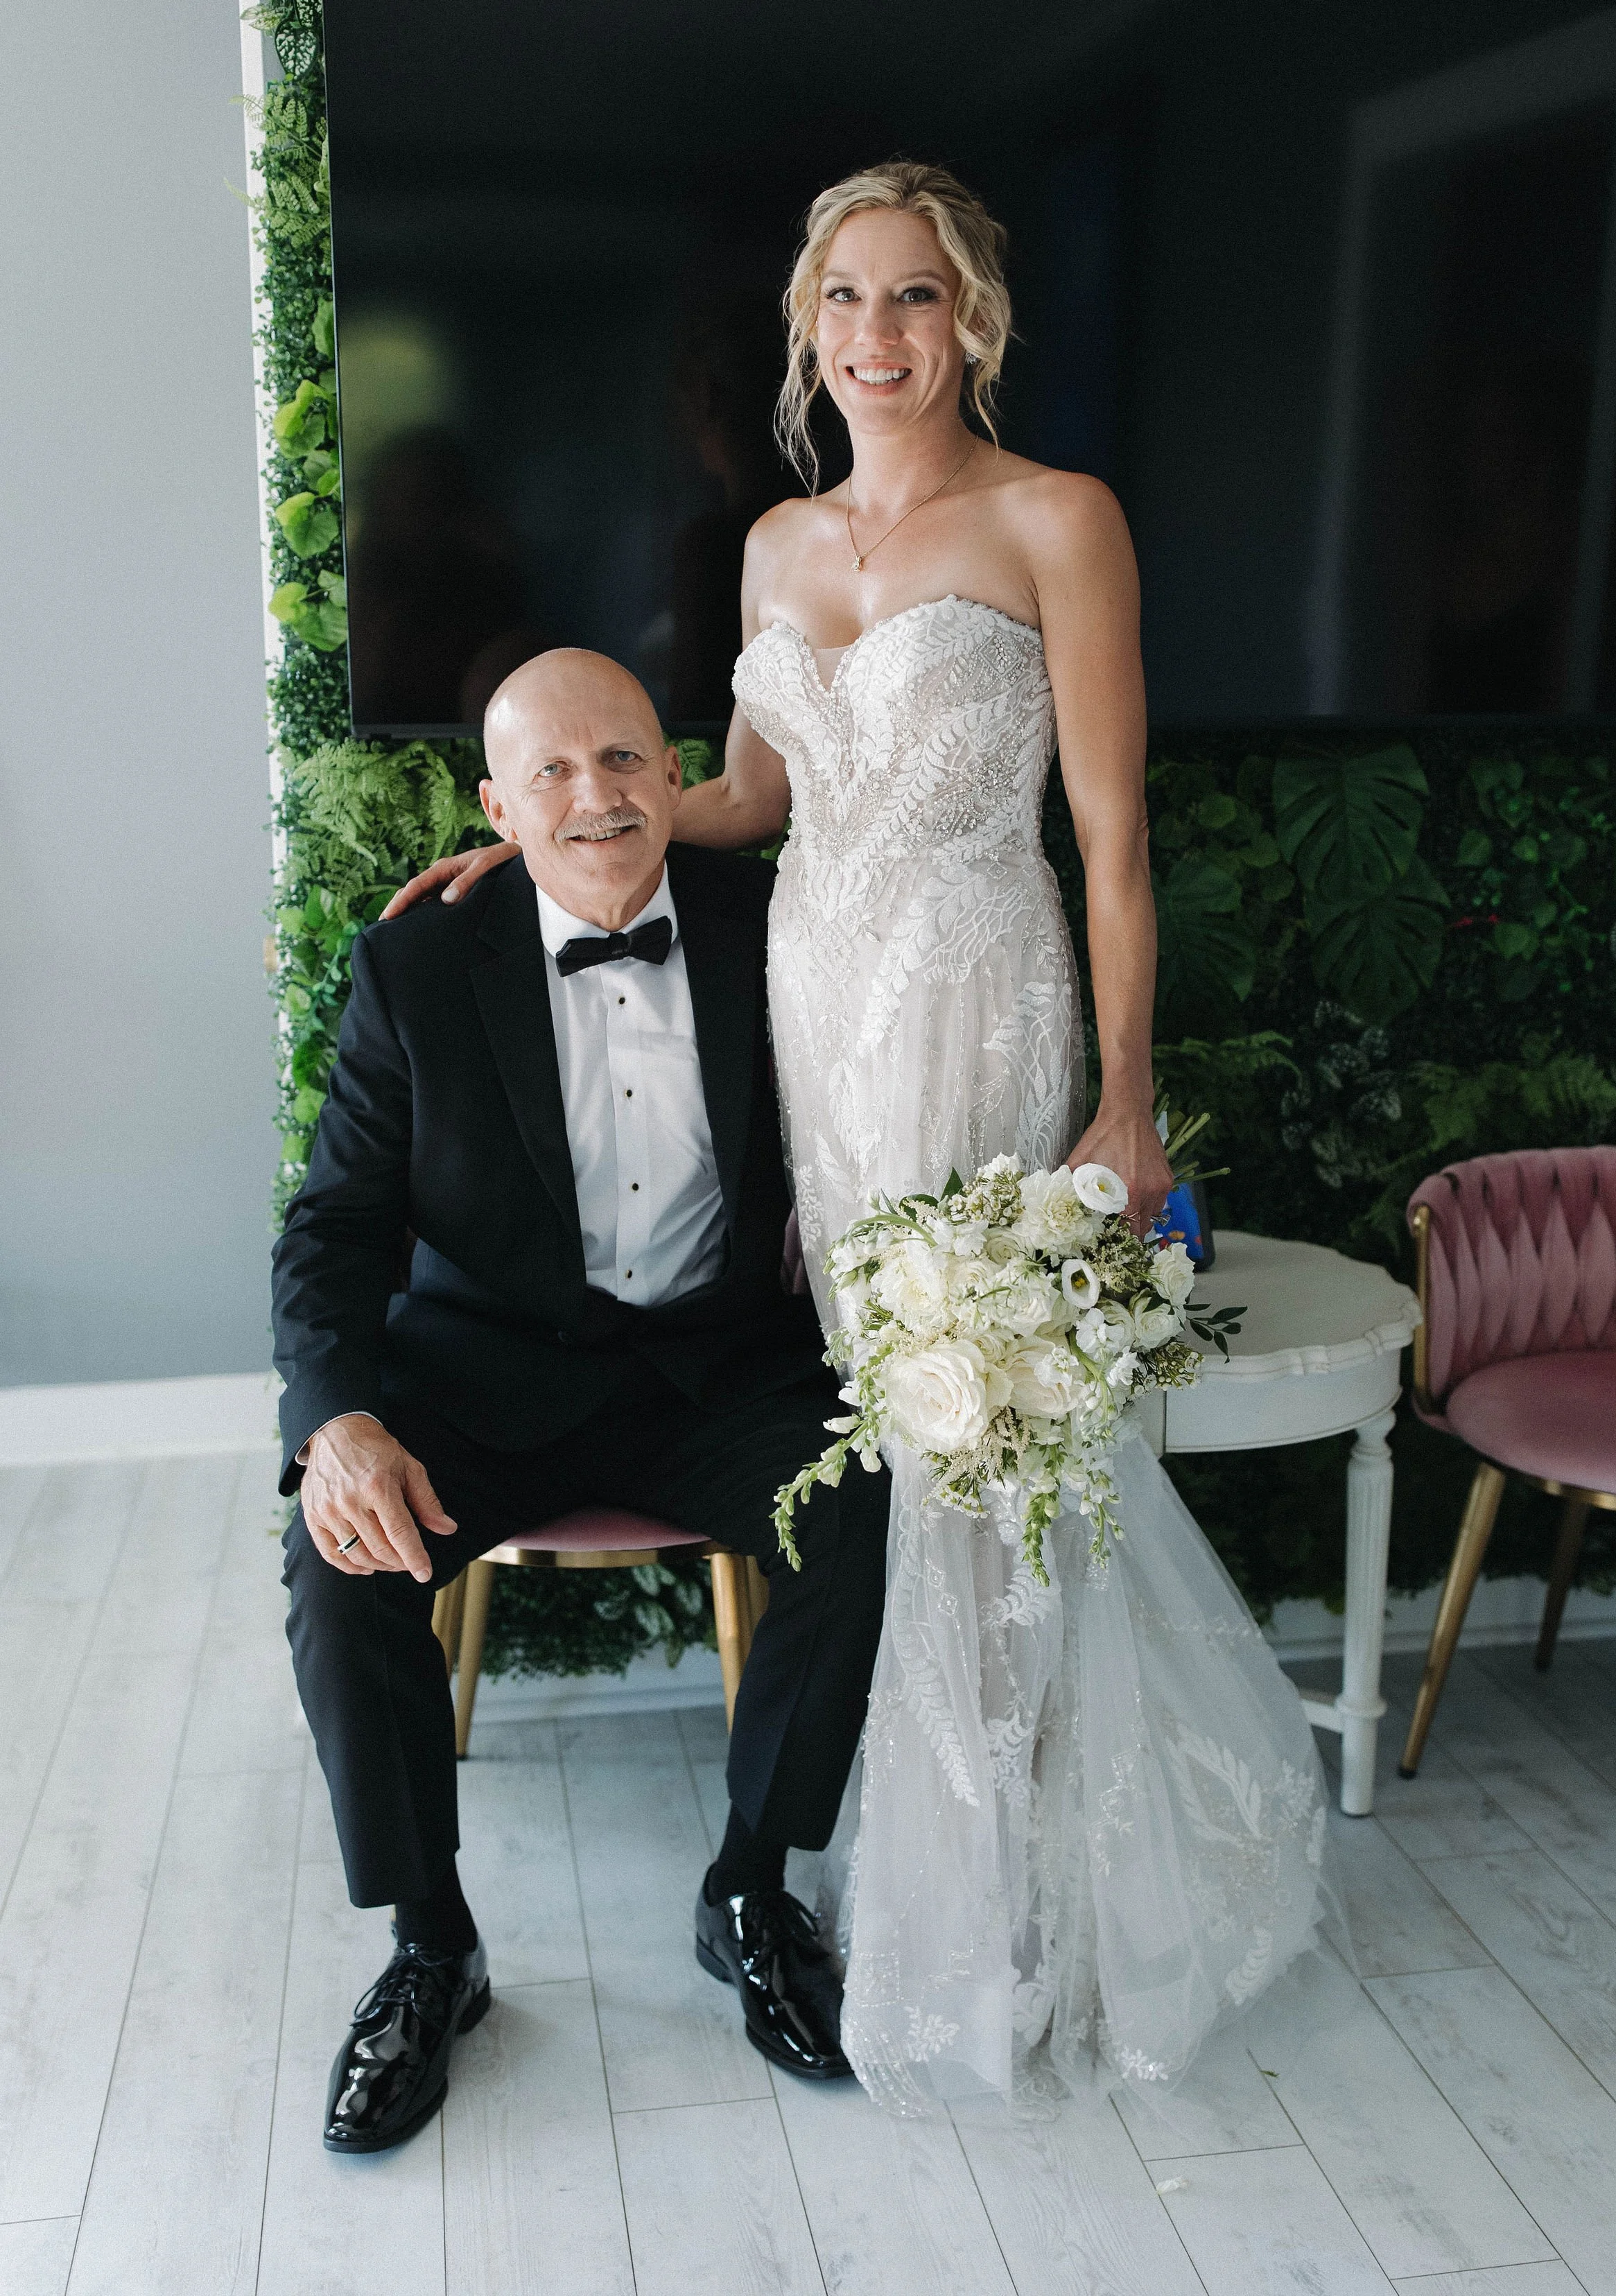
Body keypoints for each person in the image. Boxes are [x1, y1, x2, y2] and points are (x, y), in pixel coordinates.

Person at [392, 162, 1338, 2116]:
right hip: (820, 1025)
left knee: (983, 1434)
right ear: (808, 329)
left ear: (972, 320)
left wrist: (1129, 1094)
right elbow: (747, 795)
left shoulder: (1059, 522)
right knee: (873, 1441)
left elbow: (1116, 841)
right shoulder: (772, 547)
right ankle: (901, 1880)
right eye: (846, 301)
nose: (878, 336)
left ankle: (1024, 1905)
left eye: (916, 298)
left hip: (985, 1008)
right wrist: (556, 837)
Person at [274, 647, 889, 2155]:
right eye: (548, 772)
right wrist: (334, 1420)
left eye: (620, 759)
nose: (593, 797)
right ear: (495, 803)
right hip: (482, 1376)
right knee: (335, 1560)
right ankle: (432, 1949)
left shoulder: (781, 926)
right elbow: (337, 1228)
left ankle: (752, 1890)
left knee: (866, 1507)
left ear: (673, 774)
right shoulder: (417, 965)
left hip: (720, 1371)